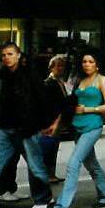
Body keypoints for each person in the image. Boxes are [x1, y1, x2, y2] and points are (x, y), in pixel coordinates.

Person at [50, 49, 105, 208]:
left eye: (91, 62)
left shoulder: (102, 80)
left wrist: (88, 109)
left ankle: (62, 205)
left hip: (93, 126)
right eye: (85, 61)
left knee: (73, 163)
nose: (87, 64)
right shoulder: (81, 80)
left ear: (97, 64)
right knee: (91, 163)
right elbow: (72, 101)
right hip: (77, 126)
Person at [0, 42, 54, 208]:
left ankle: (43, 198)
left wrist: (41, 124)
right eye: (4, 55)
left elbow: (41, 100)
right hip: (5, 127)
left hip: (26, 128)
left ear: (19, 55)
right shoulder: (2, 77)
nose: (7, 58)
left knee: (35, 165)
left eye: (10, 54)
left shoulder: (29, 75)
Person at [39, 55, 71, 183]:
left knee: (54, 147)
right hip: (51, 121)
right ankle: (47, 174)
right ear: (51, 68)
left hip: (59, 120)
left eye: (62, 66)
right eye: (58, 66)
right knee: (49, 148)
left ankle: (51, 174)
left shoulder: (60, 82)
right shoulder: (49, 83)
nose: (61, 68)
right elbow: (49, 105)